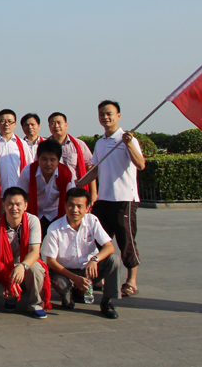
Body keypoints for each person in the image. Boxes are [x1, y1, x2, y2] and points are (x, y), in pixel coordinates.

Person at [77, 100, 145, 299]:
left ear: (118, 116)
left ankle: (131, 281)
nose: (105, 117)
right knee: (96, 241)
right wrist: (79, 183)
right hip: (104, 200)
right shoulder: (100, 142)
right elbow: (96, 169)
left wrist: (128, 144)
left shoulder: (128, 140)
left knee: (126, 241)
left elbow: (140, 164)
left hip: (125, 200)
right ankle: (98, 276)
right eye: (102, 114)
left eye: (109, 114)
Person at [42, 188, 120, 318]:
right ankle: (68, 296)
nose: (74, 210)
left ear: (87, 208)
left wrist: (95, 259)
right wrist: (74, 278)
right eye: (71, 205)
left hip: (89, 269)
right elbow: (51, 262)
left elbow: (109, 247)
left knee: (114, 260)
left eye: (79, 206)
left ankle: (107, 302)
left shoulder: (92, 221)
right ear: (65, 205)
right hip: (66, 272)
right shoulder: (54, 228)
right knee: (60, 283)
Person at [0, 187, 48, 319]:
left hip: (25, 264)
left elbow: (35, 252)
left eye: (18, 204)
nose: (14, 208)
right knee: (1, 287)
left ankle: (36, 304)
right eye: (10, 204)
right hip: (5, 267)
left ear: (25, 205)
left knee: (36, 268)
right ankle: (11, 299)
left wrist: (22, 266)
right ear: (4, 205)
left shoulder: (33, 221)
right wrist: (10, 279)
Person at [17, 139, 76, 235]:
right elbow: (21, 195)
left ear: (58, 160)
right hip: (35, 213)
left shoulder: (66, 174)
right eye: (44, 159)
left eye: (52, 160)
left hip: (57, 213)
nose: (48, 164)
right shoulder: (28, 171)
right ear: (38, 158)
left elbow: (72, 197)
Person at [0, 109, 30, 218]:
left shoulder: (23, 144)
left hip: (19, 196)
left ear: (15, 124)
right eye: (3, 121)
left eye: (10, 121)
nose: (6, 124)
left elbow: (29, 169)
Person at [47, 112, 96, 202]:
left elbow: (90, 168)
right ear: (49, 126)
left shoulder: (79, 145)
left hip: (74, 190)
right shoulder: (44, 146)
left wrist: (93, 193)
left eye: (59, 122)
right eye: (52, 123)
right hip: (51, 192)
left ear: (66, 125)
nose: (56, 126)